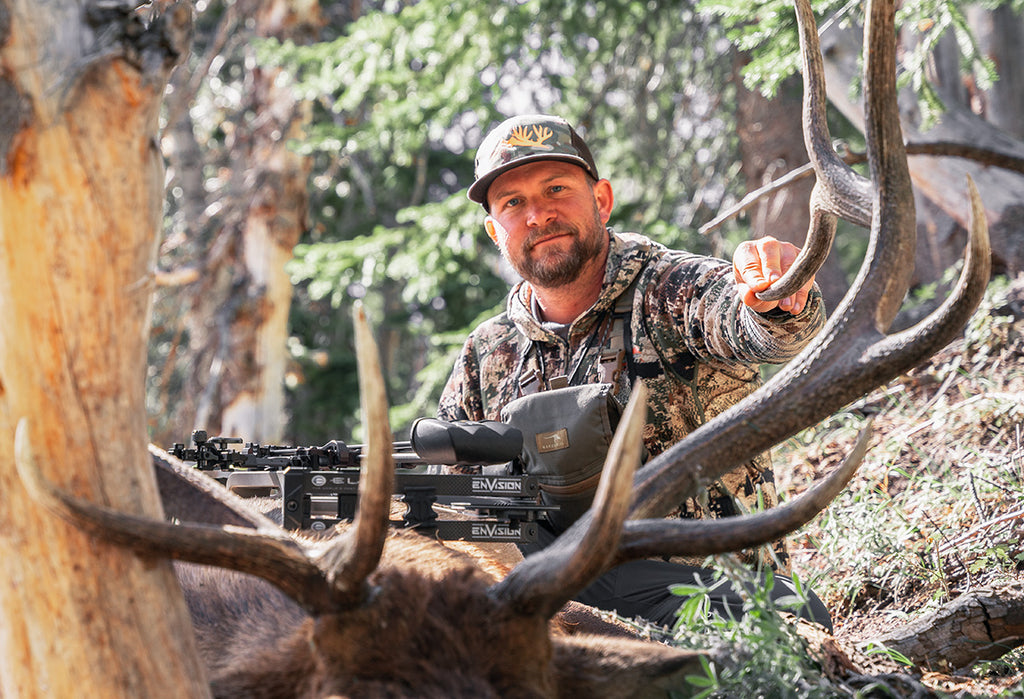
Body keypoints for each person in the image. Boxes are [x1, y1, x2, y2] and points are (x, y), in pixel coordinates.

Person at [437, 114, 831, 630]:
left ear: (601, 199)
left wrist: (776, 296)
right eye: (513, 203)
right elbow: (451, 506)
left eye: (556, 188)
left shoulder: (673, 290)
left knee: (788, 618)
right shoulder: (484, 354)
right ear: (495, 230)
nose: (538, 215)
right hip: (556, 606)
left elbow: (762, 327)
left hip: (700, 593)